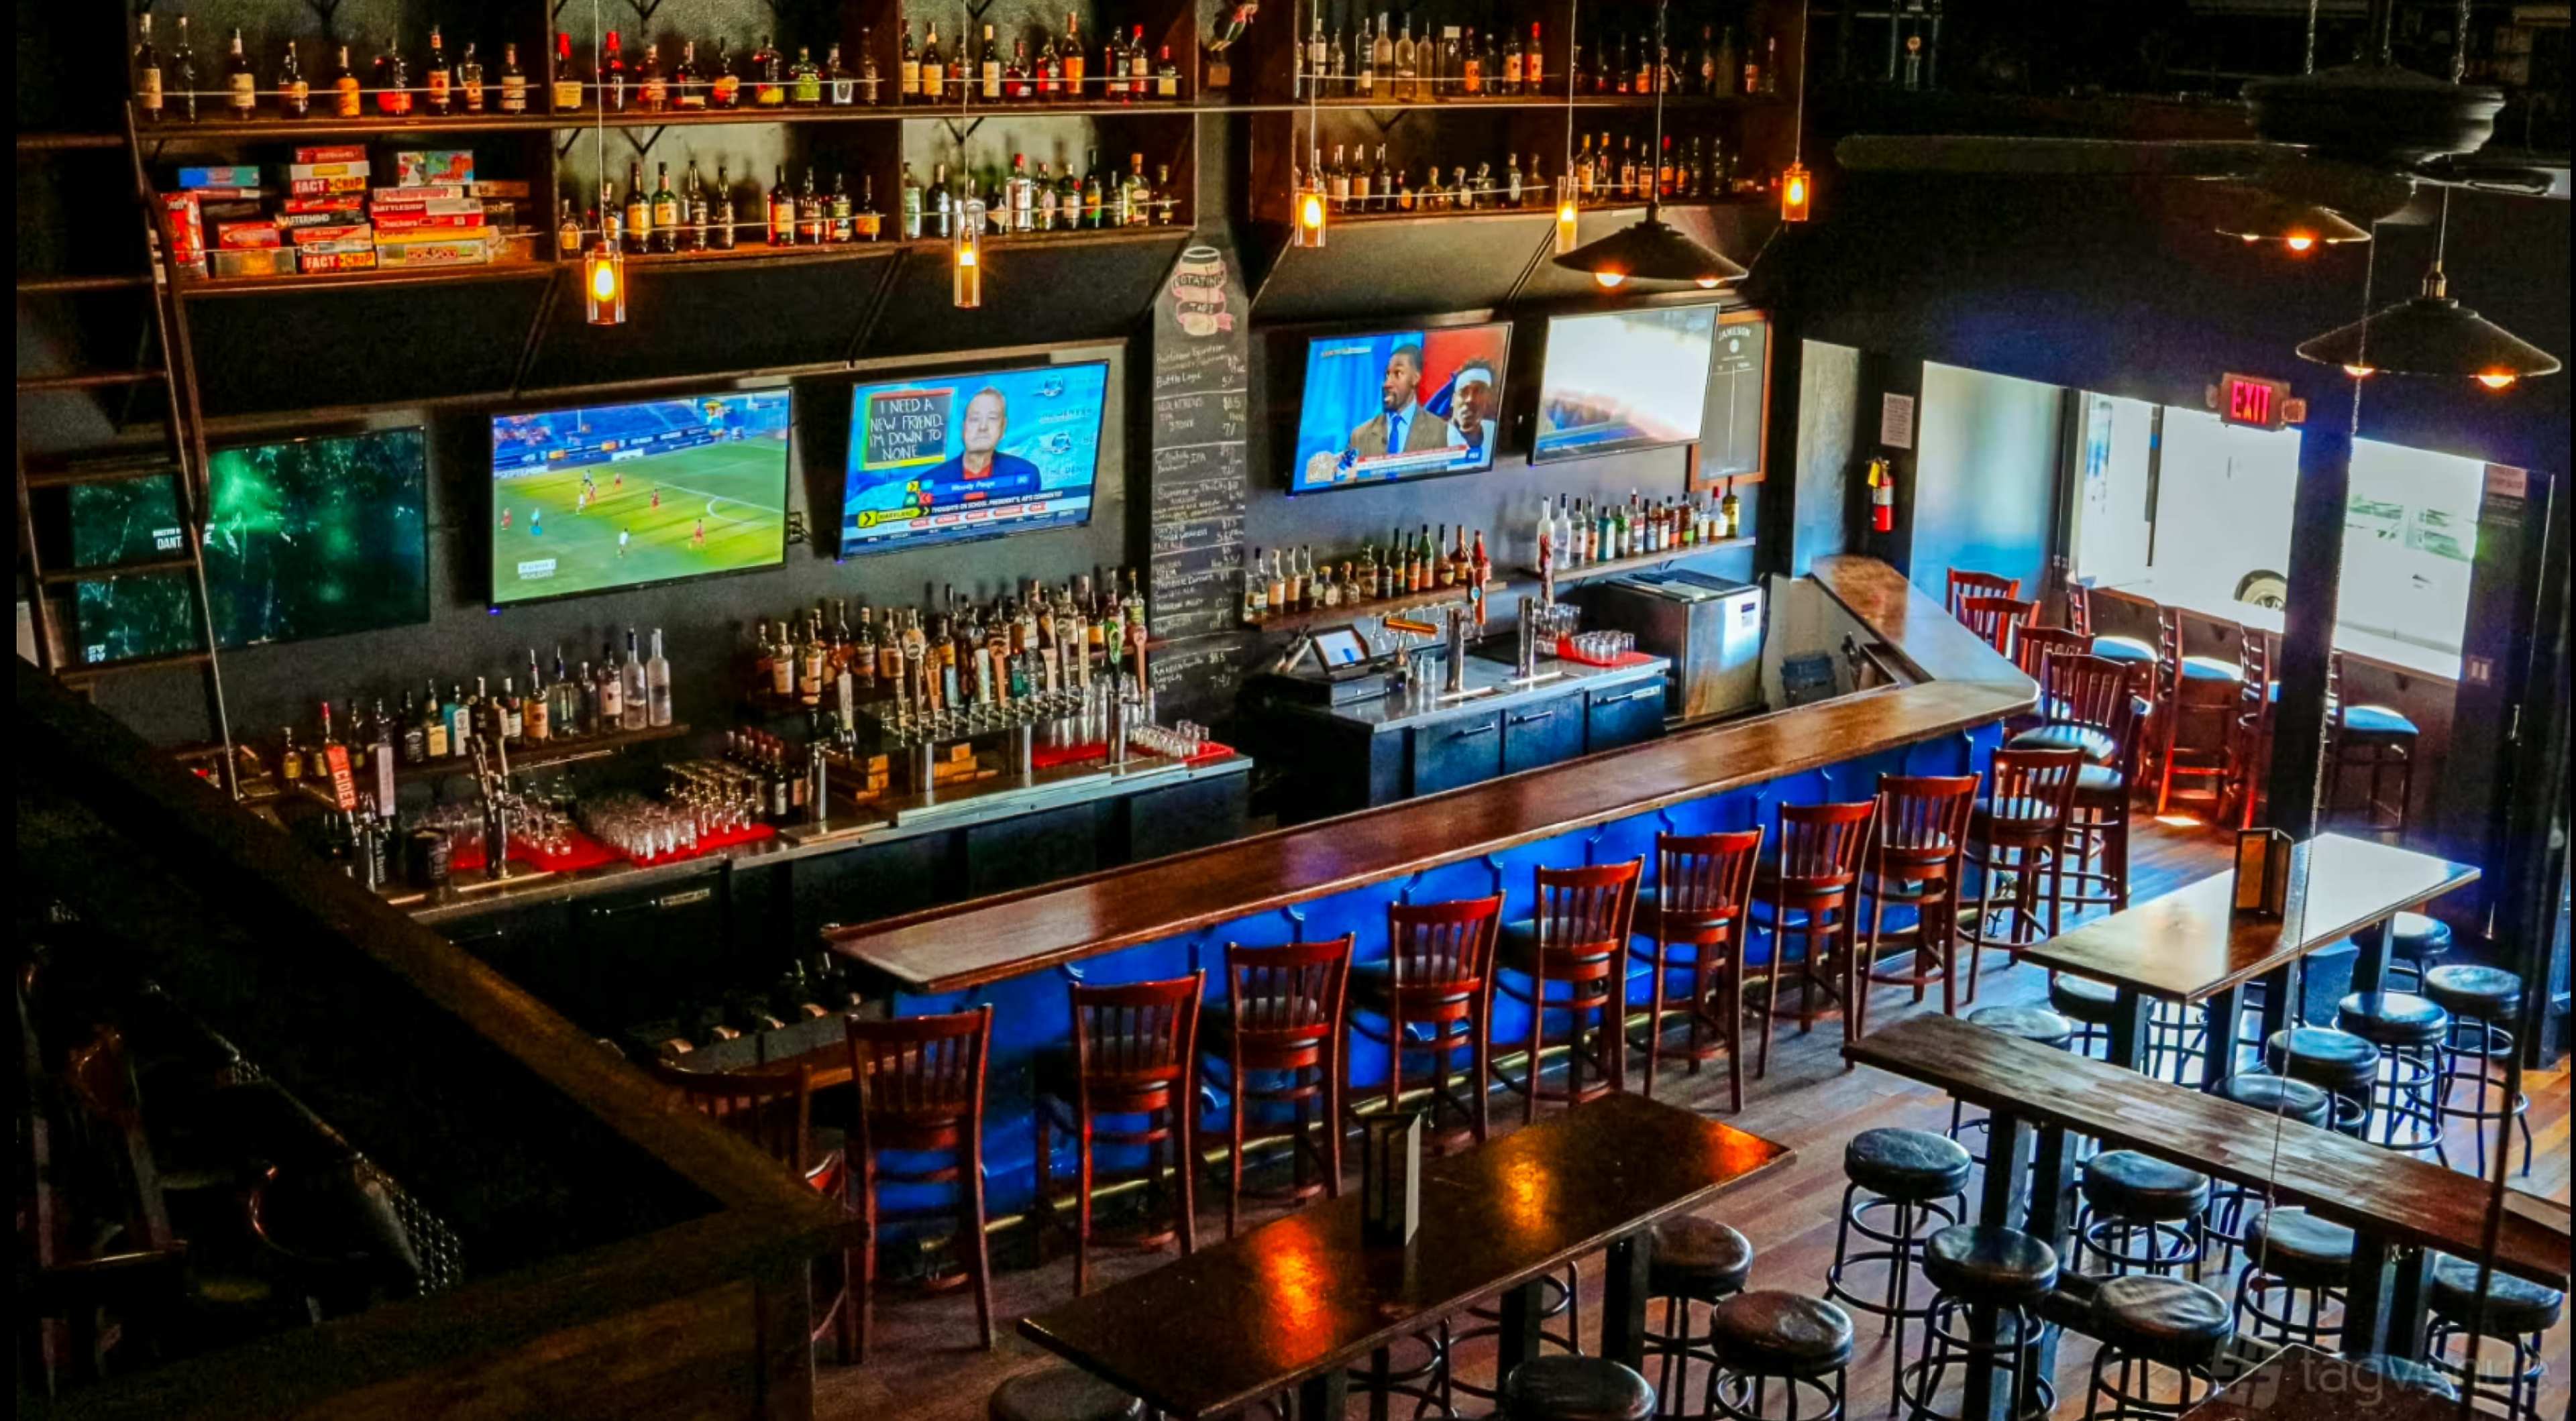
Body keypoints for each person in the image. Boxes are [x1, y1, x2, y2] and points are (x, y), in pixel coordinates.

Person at [913, 386, 1044, 507]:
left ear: (1003, 427)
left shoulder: (1028, 474)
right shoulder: (924, 484)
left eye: (992, 418)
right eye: (975, 419)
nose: (982, 427)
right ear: (964, 428)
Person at [1344, 344, 1449, 459]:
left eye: (1398, 373)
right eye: (1387, 375)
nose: (1387, 384)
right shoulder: (1359, 437)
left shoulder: (1439, 431)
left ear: (1415, 378)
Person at [1444, 361, 1499, 459]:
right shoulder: (1438, 436)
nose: (1470, 399)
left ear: (1488, 399)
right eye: (1463, 392)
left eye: (1479, 391)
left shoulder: (1494, 432)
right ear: (1453, 400)